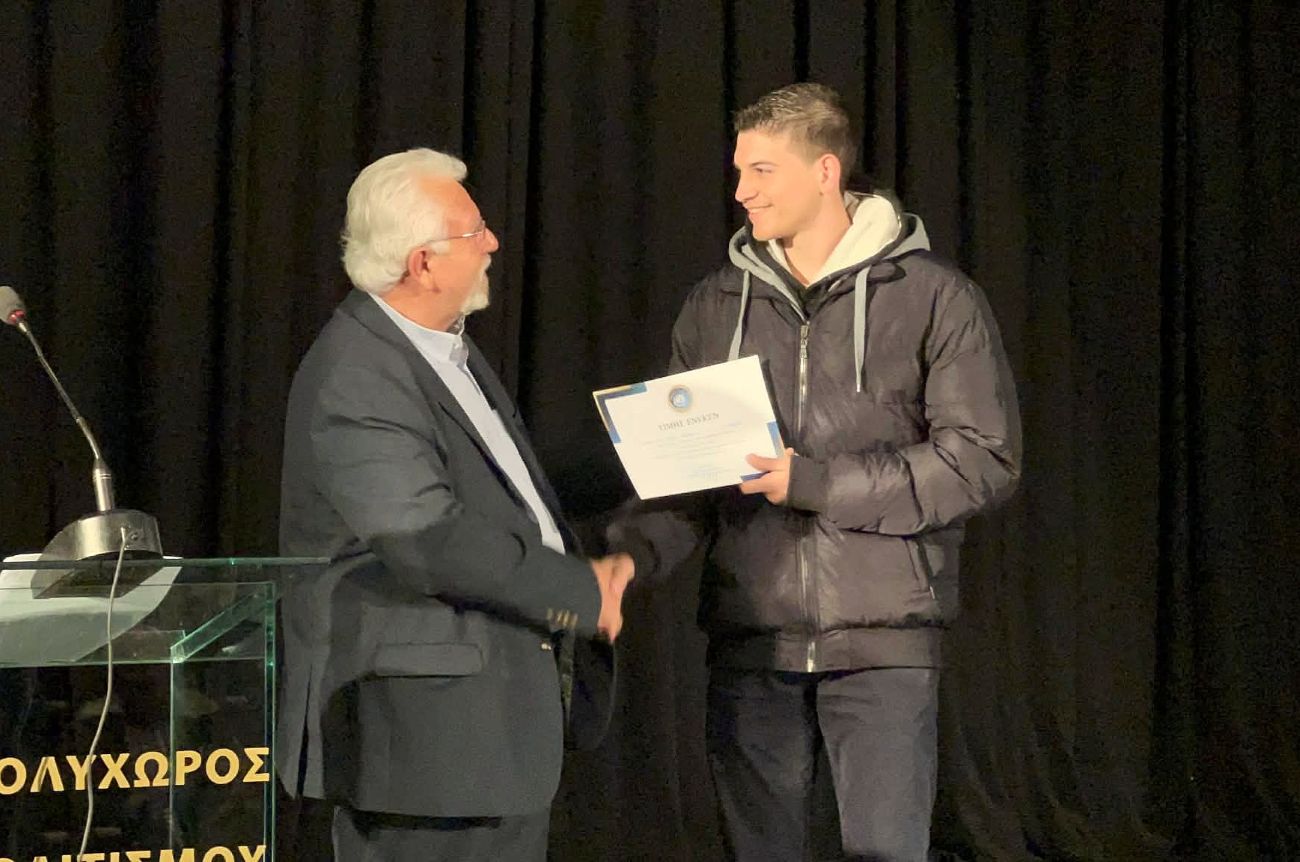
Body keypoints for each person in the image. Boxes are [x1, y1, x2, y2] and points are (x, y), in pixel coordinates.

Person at [607, 83, 1021, 861]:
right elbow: (683, 479)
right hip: (753, 646)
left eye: (761, 171)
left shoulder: (934, 298)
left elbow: (980, 460)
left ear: (826, 171)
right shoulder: (715, 305)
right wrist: (629, 557)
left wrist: (816, 483)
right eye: (739, 171)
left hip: (883, 647)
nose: (741, 191)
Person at [277, 147, 633, 862]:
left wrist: (655, 453)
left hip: (484, 740)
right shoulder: (358, 372)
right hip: (423, 751)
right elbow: (426, 537)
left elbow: (510, 494)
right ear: (423, 263)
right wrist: (578, 591)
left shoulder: (440, 350)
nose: (493, 242)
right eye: (474, 232)